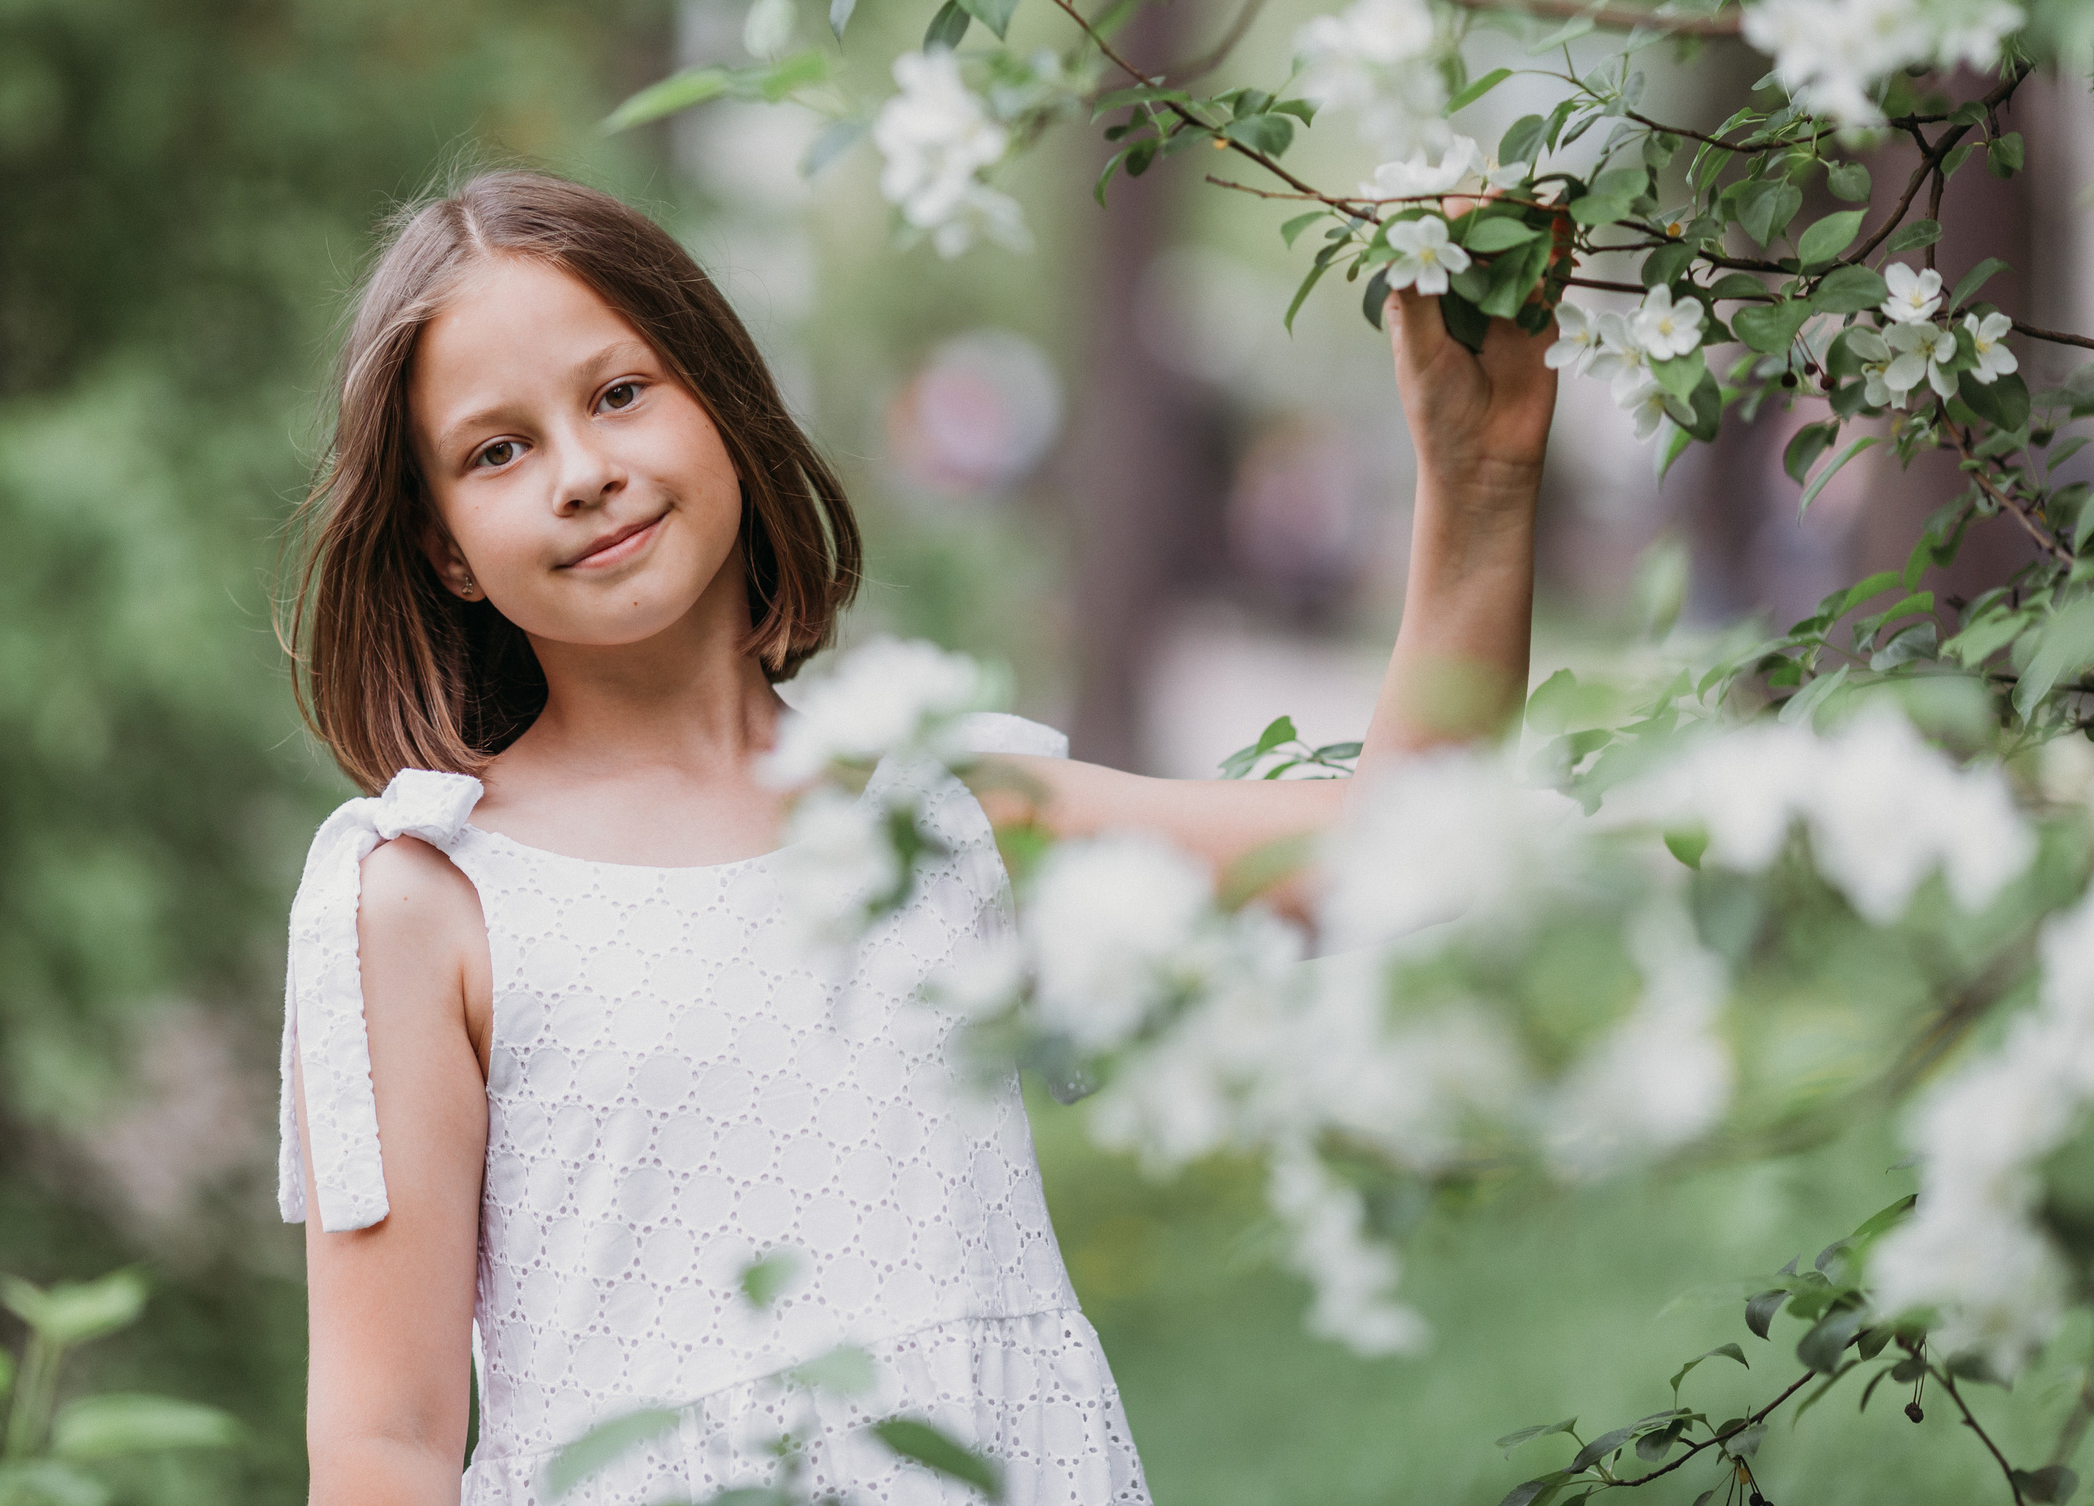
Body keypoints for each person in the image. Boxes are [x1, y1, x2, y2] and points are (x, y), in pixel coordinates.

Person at [276, 170, 1557, 1506]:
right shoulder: (426, 902)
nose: (585, 474)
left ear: (723, 398)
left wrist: (1482, 477)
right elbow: (384, 1444)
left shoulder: (944, 811)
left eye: (618, 393)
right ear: (446, 551)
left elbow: (1402, 857)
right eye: (499, 450)